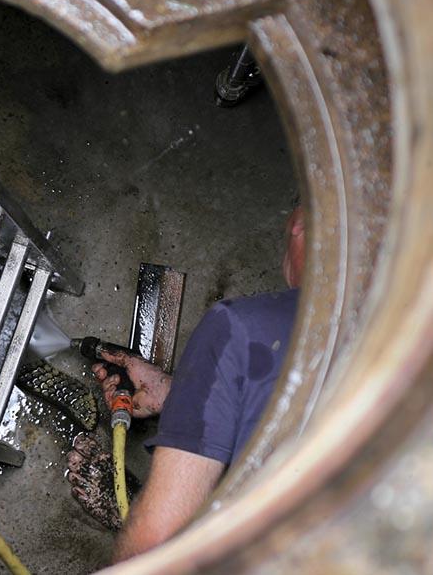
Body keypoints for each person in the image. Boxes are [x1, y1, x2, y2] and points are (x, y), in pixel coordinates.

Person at [67, 204, 306, 562]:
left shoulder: (239, 327)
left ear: (299, 223)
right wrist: (184, 398)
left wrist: (130, 514)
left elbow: (153, 547)